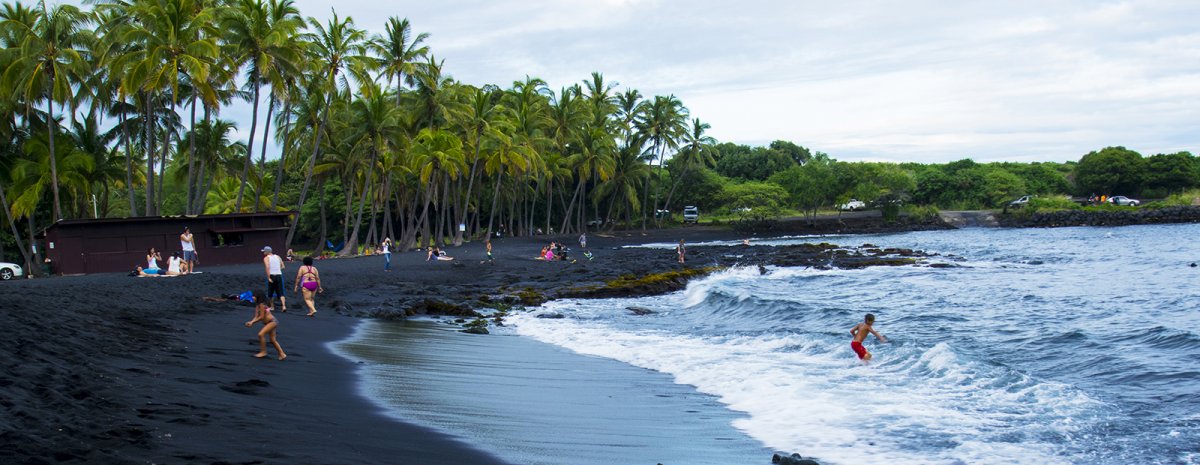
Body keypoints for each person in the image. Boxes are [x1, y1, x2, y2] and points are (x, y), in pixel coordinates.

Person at [245, 289, 286, 360]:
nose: (252, 297)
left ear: (258, 296)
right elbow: (256, 316)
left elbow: (261, 317)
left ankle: (263, 352)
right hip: (270, 322)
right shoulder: (258, 305)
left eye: (253, 296)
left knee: (261, 334)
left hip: (272, 322)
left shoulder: (262, 305)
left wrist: (252, 322)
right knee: (272, 340)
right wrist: (251, 321)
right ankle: (282, 354)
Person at [262, 246, 287, 312]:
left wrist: (268, 277)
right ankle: (284, 306)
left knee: (270, 293)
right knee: (281, 292)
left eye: (264, 251)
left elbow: (267, 267)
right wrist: (277, 269)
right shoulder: (278, 256)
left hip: (272, 276)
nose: (263, 252)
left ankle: (272, 307)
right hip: (279, 275)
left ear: (267, 252)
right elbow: (283, 266)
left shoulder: (266, 258)